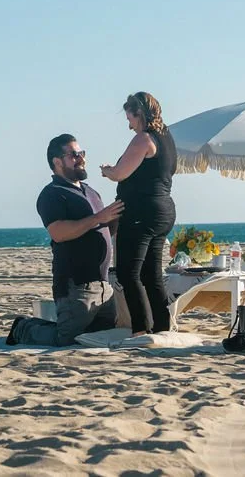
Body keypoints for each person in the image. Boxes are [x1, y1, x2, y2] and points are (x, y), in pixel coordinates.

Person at [6, 134, 124, 346]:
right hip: (76, 285)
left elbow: (103, 229)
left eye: (82, 153)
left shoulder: (92, 192)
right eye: (74, 155)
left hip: (104, 285)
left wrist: (115, 218)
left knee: (100, 339)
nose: (81, 159)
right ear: (57, 162)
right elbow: (58, 233)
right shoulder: (52, 194)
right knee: (66, 340)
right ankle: (23, 327)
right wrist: (98, 217)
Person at [99, 92, 177, 337]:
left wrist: (107, 171)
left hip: (141, 212)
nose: (128, 124)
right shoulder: (166, 137)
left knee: (128, 273)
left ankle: (141, 329)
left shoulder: (143, 139)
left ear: (139, 114)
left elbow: (121, 173)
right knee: (151, 273)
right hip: (163, 210)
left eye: (129, 117)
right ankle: (163, 326)